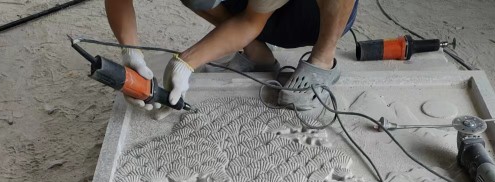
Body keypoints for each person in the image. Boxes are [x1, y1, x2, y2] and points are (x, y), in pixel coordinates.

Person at [104, 0, 358, 111]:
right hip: (254, 13)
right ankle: (257, 54)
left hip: (315, 16)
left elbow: (251, 21)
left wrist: (189, 60)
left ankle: (323, 59)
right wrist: (131, 52)